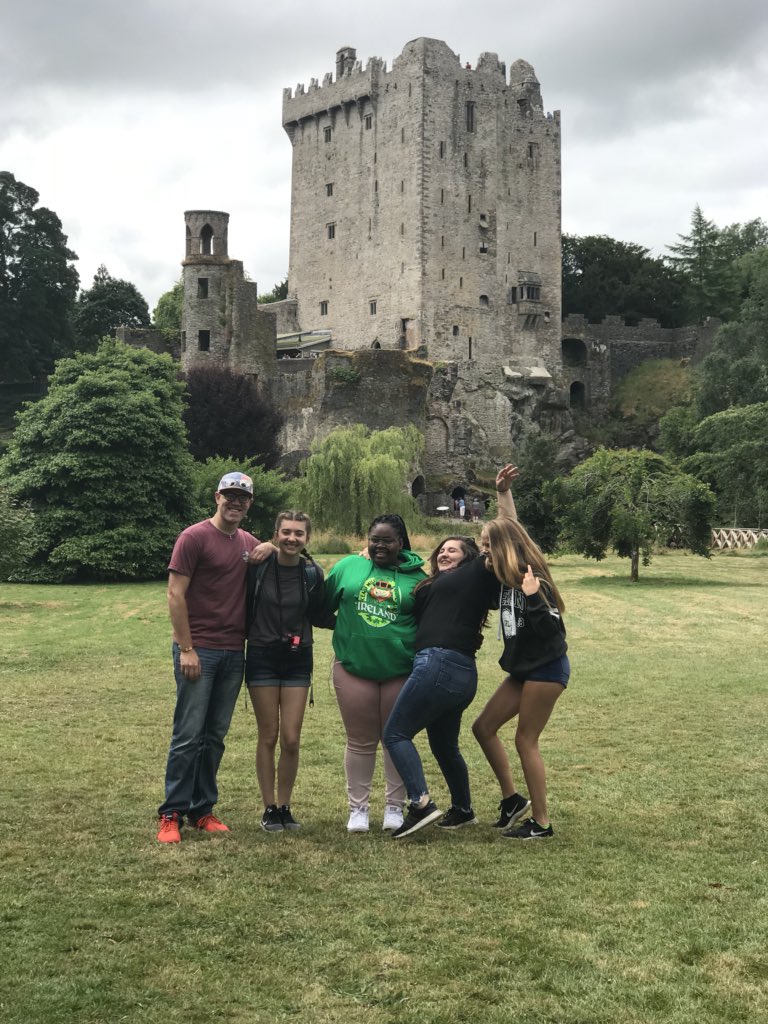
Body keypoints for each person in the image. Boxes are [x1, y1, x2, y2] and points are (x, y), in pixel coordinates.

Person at [157, 471, 272, 844]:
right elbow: (175, 594)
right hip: (199, 649)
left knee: (215, 736)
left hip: (233, 651)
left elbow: (287, 552)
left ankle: (202, 809)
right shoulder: (194, 537)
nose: (235, 502)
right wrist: (186, 648)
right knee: (188, 734)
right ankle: (171, 813)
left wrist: (272, 545)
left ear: (249, 503)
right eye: (229, 495)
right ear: (216, 497)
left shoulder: (248, 542)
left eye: (243, 497)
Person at [472, 466, 568, 840]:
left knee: (525, 740)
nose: (482, 548)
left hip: (546, 669)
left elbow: (555, 634)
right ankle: (513, 801)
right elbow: (510, 526)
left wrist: (534, 599)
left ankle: (541, 823)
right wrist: (503, 493)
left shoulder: (531, 579)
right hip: (523, 669)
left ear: (501, 548)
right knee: (483, 727)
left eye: (486, 544)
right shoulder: (505, 575)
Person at [382, 532, 498, 838]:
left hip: (439, 662)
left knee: (395, 734)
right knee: (444, 746)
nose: (444, 554)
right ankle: (463, 810)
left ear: (469, 558)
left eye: (453, 551)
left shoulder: (474, 573)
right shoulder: (435, 583)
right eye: (442, 550)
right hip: (459, 670)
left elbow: (501, 545)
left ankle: (420, 803)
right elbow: (406, 566)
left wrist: (502, 505)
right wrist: (372, 555)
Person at [322, 514, 426, 833]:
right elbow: (321, 606)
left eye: (387, 540)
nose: (379, 546)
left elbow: (427, 622)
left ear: (400, 543)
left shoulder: (418, 577)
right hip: (353, 668)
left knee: (395, 739)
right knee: (359, 740)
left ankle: (395, 807)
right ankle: (358, 809)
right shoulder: (348, 567)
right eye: (374, 539)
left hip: (400, 670)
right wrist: (349, 630)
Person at [244, 511, 328, 833]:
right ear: (276, 533)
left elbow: (321, 613)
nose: (292, 538)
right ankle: (268, 808)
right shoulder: (259, 567)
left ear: (307, 538)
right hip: (262, 656)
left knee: (291, 739)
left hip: (297, 658)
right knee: (268, 735)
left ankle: (284, 806)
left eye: (299, 533)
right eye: (286, 532)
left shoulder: (312, 573)